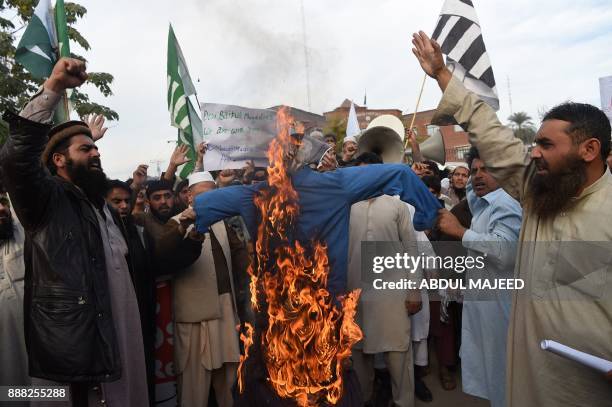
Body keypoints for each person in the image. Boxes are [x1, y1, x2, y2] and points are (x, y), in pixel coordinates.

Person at [412, 30, 612, 405]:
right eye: (534, 144)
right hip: (531, 376)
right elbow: (492, 135)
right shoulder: (539, 194)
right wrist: (441, 74)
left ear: (590, 149)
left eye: (547, 145)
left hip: (586, 389)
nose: (534, 154)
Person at [0, 58, 148, 406]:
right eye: (86, 149)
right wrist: (53, 88)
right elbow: (16, 161)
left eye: (96, 148)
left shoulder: (97, 204)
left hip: (116, 345)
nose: (96, 153)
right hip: (73, 354)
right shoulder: (47, 201)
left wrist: (82, 140)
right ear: (59, 161)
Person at [437, 146, 522, 407]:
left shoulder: (506, 204)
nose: (477, 176)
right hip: (484, 304)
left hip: (500, 309)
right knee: (491, 373)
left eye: (487, 169)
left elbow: (505, 251)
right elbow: (473, 193)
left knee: (504, 378)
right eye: (474, 170)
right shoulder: (483, 203)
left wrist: (459, 232)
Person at [347, 152, 422, 407]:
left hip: (392, 292)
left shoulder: (396, 205)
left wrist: (414, 290)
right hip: (354, 292)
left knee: (398, 353)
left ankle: (404, 402)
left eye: (369, 171)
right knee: (358, 355)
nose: (363, 177)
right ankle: (364, 401)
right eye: (359, 172)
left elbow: (411, 249)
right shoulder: (346, 205)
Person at [170, 171, 249, 407]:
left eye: (213, 194)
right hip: (194, 317)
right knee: (194, 384)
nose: (210, 200)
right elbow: (164, 255)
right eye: (203, 195)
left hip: (225, 309)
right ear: (189, 197)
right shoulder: (175, 224)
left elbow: (242, 258)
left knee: (229, 380)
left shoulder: (223, 224)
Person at [0, 190, 29, 406]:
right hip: (7, 365)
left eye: (3, 203)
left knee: (47, 395)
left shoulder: (21, 234)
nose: (2, 209)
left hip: (37, 352)